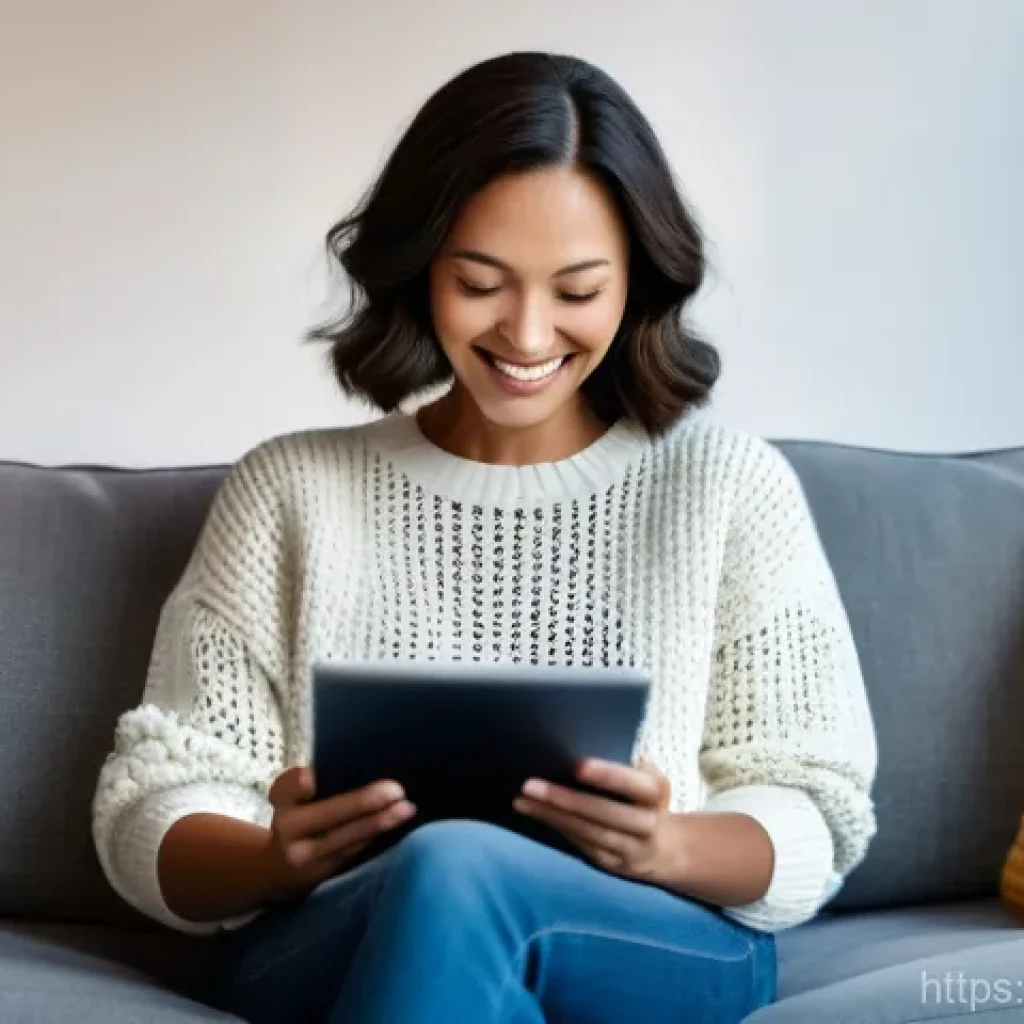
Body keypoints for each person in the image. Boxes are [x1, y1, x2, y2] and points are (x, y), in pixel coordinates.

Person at [91, 51, 878, 1024]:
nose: (527, 332)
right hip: (333, 929)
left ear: (638, 280)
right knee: (444, 875)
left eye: (578, 290)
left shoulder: (725, 485)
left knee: (458, 870)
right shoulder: (289, 491)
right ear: (420, 268)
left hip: (651, 934)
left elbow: (818, 806)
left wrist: (664, 844)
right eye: (480, 282)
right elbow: (151, 802)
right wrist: (270, 854)